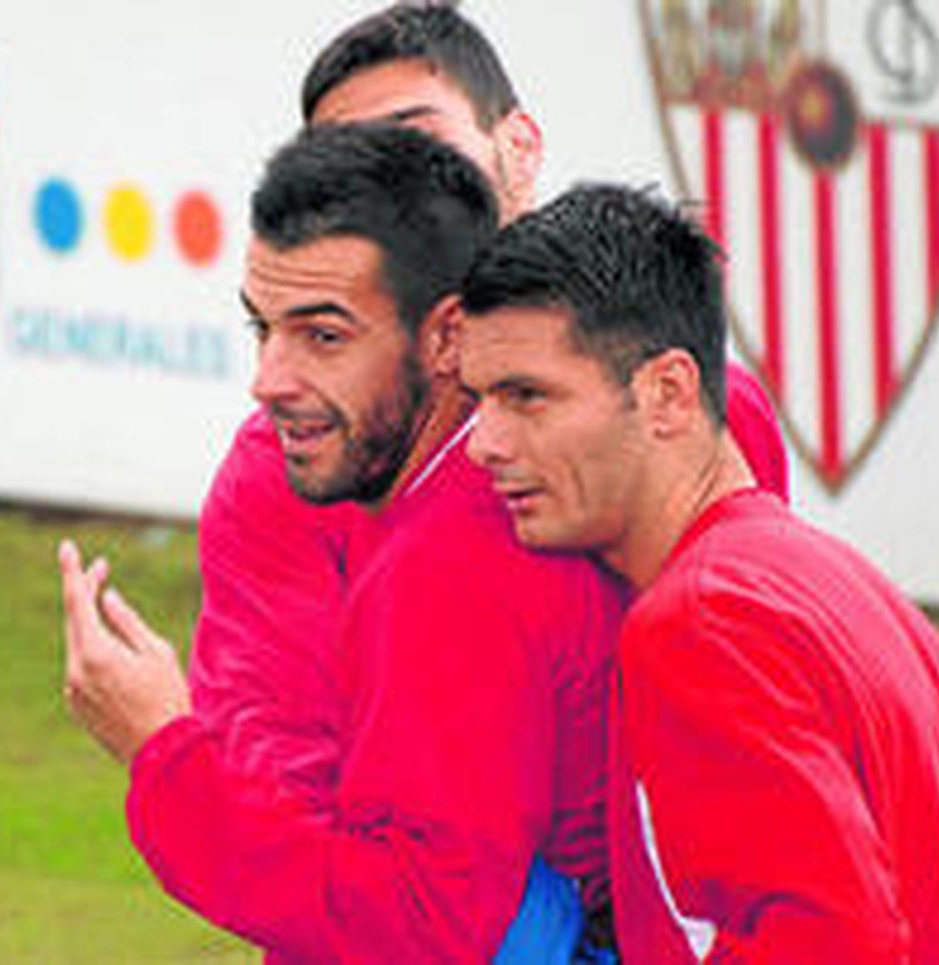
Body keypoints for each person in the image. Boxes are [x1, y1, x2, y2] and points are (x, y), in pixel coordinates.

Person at [191, 0, 788, 829]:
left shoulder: (695, 403)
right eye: (350, 163)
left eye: (416, 141)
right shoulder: (277, 472)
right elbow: (280, 790)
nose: (390, 188)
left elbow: (751, 699)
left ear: (520, 148)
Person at [60, 123, 624, 961]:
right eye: (263, 329)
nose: (268, 381)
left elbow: (427, 922)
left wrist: (164, 750)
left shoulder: (454, 552)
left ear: (447, 338)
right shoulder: (492, 487)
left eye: (323, 336)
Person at [458, 183, 939, 962]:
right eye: (479, 399)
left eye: (526, 396)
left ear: (668, 392)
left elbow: (832, 945)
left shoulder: (700, 624)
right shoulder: (857, 591)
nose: (483, 443)